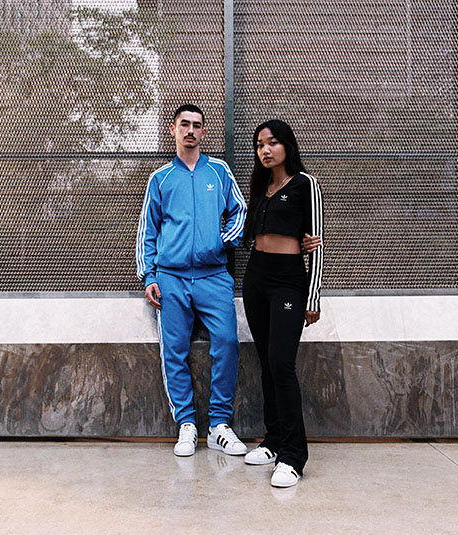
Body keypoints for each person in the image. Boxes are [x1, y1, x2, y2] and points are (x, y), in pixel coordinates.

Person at [135, 104, 248, 457]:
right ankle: (186, 424)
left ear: (203, 132)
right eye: (184, 124)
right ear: (173, 130)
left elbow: (240, 211)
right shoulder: (160, 179)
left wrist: (222, 240)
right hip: (171, 278)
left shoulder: (219, 171)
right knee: (174, 351)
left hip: (214, 276)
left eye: (197, 125)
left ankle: (219, 426)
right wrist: (149, 275)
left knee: (227, 342)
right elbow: (147, 231)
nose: (190, 130)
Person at [241, 119, 324, 487]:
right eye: (260, 145)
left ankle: (292, 456)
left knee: (281, 362)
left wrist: (313, 295)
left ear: (287, 145)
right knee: (266, 362)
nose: (266, 150)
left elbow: (317, 245)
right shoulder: (261, 188)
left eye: (272, 142)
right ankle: (273, 440)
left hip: (288, 280)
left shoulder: (306, 184)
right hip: (256, 277)